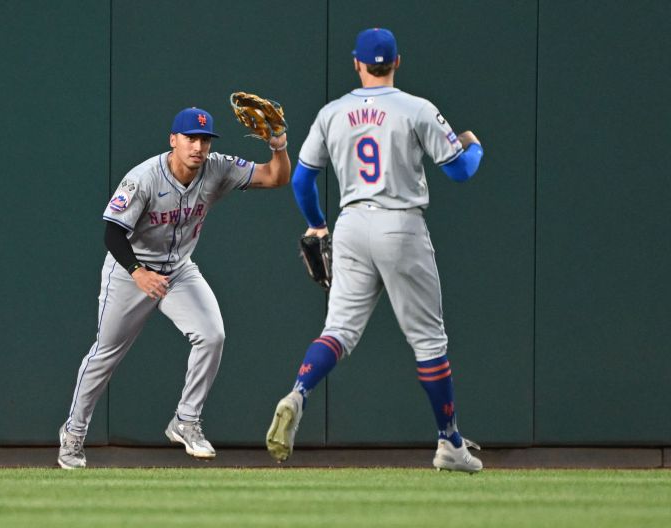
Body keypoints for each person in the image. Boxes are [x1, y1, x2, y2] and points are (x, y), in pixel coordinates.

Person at [265, 28, 485, 472]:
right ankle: (449, 443)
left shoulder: (332, 113)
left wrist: (318, 225)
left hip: (350, 225)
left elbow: (304, 179)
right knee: (428, 341)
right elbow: (461, 171)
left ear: (356, 64)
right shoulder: (415, 109)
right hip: (400, 224)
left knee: (339, 331)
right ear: (397, 63)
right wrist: (474, 144)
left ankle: (298, 392)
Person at [58, 107, 290, 469]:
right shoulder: (144, 178)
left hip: (179, 271)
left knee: (212, 335)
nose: (198, 146)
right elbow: (113, 232)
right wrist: (137, 272)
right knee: (105, 354)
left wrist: (278, 144)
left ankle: (186, 420)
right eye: (190, 138)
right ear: (173, 140)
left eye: (204, 140)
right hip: (129, 271)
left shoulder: (217, 168)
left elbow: (276, 177)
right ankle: (73, 434)